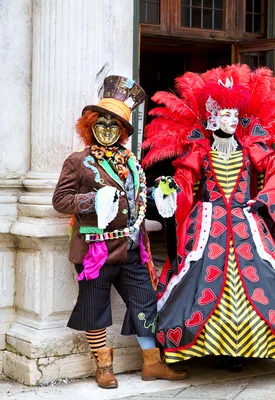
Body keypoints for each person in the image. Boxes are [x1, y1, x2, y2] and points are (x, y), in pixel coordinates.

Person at [142, 64, 275, 370]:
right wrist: (170, 192)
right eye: (224, 114)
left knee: (258, 279)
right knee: (200, 280)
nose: (230, 120)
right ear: (213, 117)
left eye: (234, 115)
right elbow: (186, 181)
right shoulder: (200, 150)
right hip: (208, 225)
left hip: (245, 222)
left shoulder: (250, 148)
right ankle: (212, 347)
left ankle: (246, 349)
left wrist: (262, 200)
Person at [52, 75, 188, 389]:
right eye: (102, 123)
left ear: (123, 133)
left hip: (131, 247)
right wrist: (91, 199)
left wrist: (158, 193)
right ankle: (103, 366)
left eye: (115, 126)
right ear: (90, 126)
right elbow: (60, 200)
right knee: (95, 308)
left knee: (145, 302)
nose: (108, 130)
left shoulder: (131, 162)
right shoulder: (78, 161)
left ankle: (152, 363)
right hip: (94, 251)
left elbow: (134, 197)